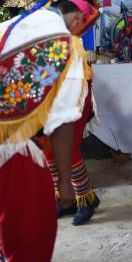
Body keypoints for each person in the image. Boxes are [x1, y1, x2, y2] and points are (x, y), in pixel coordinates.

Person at [0, 0, 99, 262]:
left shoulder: (14, 24)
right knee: (34, 232)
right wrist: (66, 185)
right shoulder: (65, 45)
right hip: (12, 148)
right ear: (77, 21)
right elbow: (62, 123)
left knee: (8, 223)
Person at [44, 69, 100, 226]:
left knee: (68, 148)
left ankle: (85, 199)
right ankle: (65, 200)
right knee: (47, 148)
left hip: (73, 90)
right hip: (47, 94)